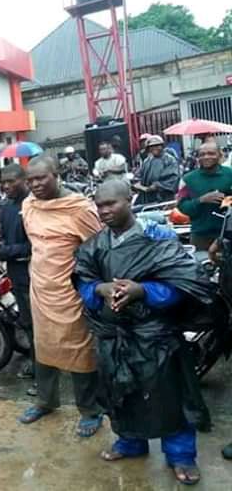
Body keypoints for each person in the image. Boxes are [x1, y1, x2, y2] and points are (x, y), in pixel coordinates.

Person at [74, 180, 212, 486]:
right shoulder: (94, 246)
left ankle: (180, 455)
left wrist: (142, 290)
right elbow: (82, 283)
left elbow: (183, 285)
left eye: (112, 203)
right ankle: (130, 442)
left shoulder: (158, 240)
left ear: (130, 199)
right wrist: (101, 288)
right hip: (113, 337)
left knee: (169, 397)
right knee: (122, 394)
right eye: (99, 205)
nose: (105, 210)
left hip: (156, 337)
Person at [17, 156, 103, 437]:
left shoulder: (79, 208)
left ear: (57, 174)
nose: (35, 184)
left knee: (78, 351)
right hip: (40, 289)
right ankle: (46, 401)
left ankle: (90, 410)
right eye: (30, 180)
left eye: (41, 177)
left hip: (71, 292)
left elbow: (98, 248)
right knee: (43, 347)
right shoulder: (28, 205)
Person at [0, 164, 35, 390]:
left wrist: (4, 251)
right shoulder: (5, 207)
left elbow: (35, 245)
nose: (5, 186)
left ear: (25, 180)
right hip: (16, 273)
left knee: (38, 323)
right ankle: (37, 361)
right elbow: (7, 238)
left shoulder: (35, 205)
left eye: (11, 181)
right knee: (26, 321)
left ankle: (42, 368)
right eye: (2, 182)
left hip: (36, 272)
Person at [177, 141, 232, 251]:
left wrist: (226, 200)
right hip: (200, 236)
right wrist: (201, 200)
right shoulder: (188, 179)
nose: (206, 157)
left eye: (211, 153)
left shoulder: (229, 174)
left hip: (228, 235)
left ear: (220, 155)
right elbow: (182, 206)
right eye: (202, 154)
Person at [133, 135, 180, 205]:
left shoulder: (169, 160)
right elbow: (140, 175)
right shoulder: (147, 161)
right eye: (151, 146)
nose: (154, 148)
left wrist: (157, 186)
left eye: (157, 145)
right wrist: (137, 183)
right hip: (147, 198)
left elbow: (173, 178)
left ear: (162, 146)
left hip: (163, 198)